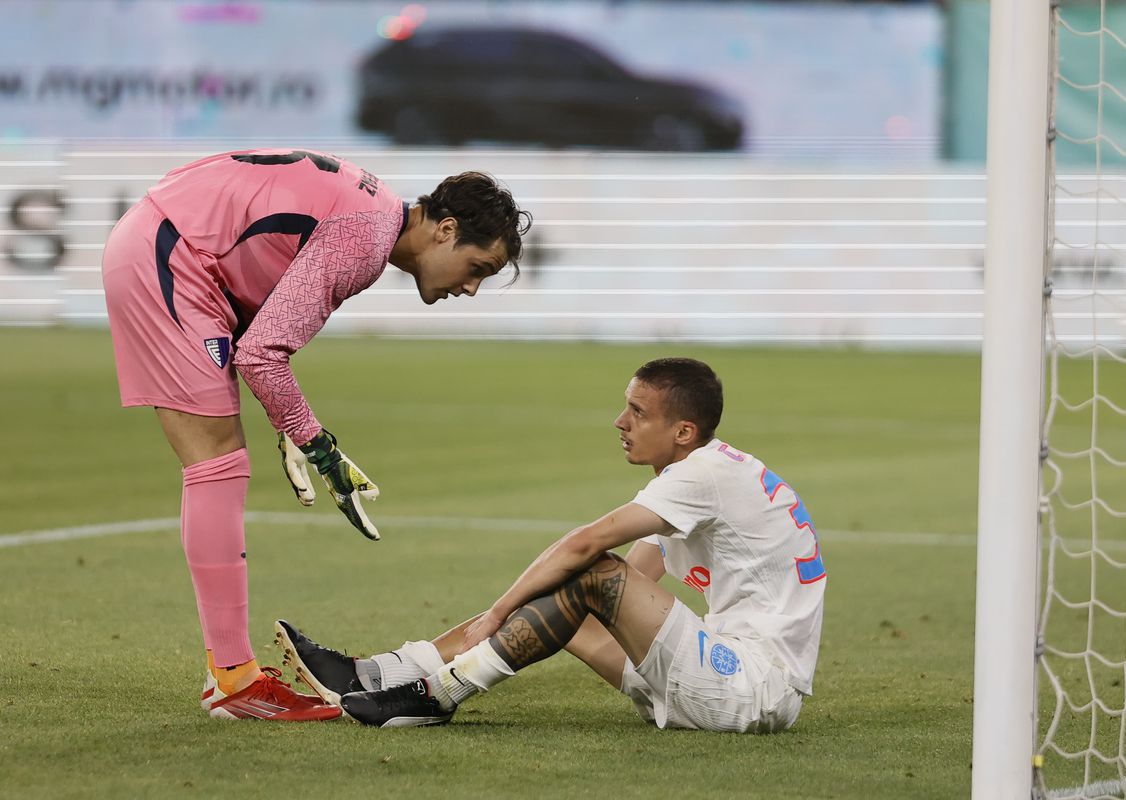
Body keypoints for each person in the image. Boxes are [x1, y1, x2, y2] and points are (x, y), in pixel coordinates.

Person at [100, 148, 531, 721]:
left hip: (171, 241)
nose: (471, 289)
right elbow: (263, 357)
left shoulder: (372, 212)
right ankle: (232, 683)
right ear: (445, 229)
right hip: (173, 256)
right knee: (217, 466)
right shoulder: (366, 242)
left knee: (219, 465)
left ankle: (231, 677)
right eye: (478, 268)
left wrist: (287, 419)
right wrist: (318, 446)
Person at [276, 358, 825, 732]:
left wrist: (497, 613)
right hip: (722, 674)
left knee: (590, 570)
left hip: (752, 690)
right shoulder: (704, 476)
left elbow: (591, 547)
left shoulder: (700, 477)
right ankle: (380, 673)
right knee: (578, 583)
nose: (620, 421)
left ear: (683, 431)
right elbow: (628, 584)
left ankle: (437, 695)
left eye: (638, 412)